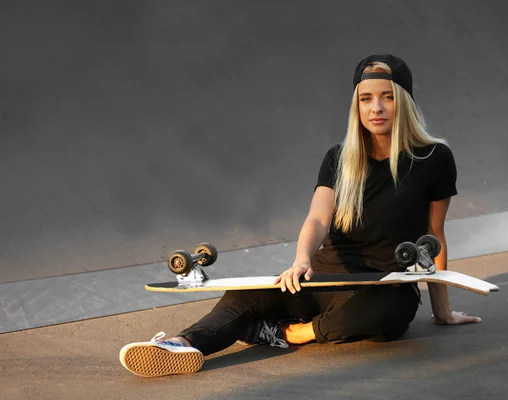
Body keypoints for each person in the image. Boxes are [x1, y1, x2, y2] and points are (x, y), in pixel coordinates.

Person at [119, 54, 481, 378]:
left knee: (393, 311)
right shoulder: (340, 158)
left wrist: (441, 310)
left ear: (404, 101)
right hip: (324, 277)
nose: (376, 108)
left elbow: (434, 238)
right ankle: (181, 344)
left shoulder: (433, 158)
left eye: (387, 97)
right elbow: (317, 220)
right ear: (355, 106)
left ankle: (285, 332)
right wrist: (300, 261)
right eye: (365, 99)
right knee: (243, 297)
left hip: (382, 284)